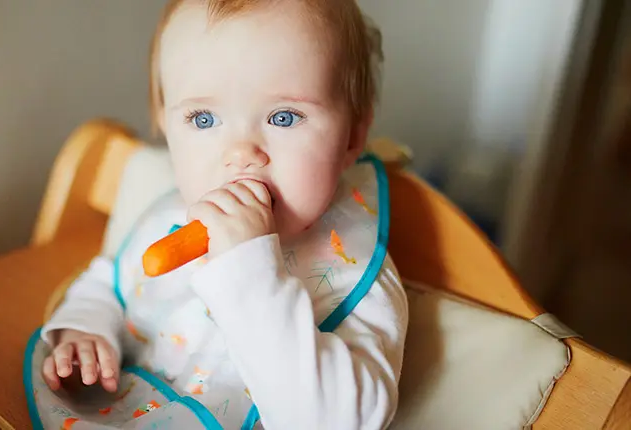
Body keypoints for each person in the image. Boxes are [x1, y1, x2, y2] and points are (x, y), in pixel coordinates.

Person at [34, 1, 409, 428]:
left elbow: (342, 419)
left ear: (351, 138)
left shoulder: (353, 270)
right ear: (165, 125)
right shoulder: (171, 218)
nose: (240, 153)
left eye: (283, 117)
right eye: (203, 117)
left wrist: (248, 271)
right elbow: (114, 282)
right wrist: (85, 330)